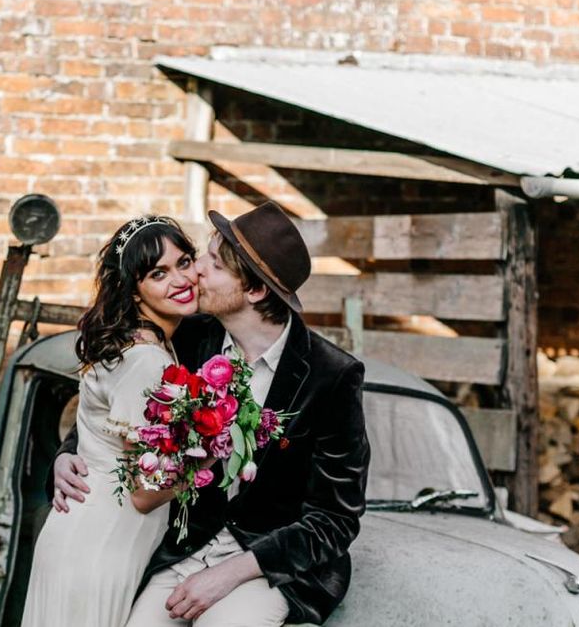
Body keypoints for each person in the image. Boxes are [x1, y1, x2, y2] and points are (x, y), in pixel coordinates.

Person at [52, 201, 370, 627]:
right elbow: (119, 400)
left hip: (271, 567)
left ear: (255, 290)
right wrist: (70, 451)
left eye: (215, 264)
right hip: (187, 547)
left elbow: (335, 519)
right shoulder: (188, 338)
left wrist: (229, 573)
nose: (195, 269)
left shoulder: (332, 376)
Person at [21, 216, 200, 627]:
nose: (180, 279)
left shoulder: (144, 342)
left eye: (185, 262)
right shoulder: (146, 362)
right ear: (134, 292)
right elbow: (143, 492)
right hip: (101, 543)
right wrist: (208, 464)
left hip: (96, 535)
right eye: (159, 273)